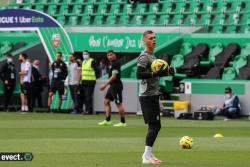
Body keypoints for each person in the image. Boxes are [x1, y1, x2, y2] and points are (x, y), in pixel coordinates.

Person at [136, 30, 174, 164]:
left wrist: (166, 72)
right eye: (151, 38)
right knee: (155, 126)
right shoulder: (144, 56)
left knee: (155, 125)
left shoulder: (153, 56)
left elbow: (154, 73)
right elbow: (139, 75)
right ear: (144, 40)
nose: (154, 40)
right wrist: (156, 73)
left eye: (155, 38)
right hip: (147, 96)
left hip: (153, 95)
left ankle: (148, 154)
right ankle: (146, 155)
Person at [98, 50, 126, 127]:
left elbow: (114, 77)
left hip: (116, 86)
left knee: (118, 103)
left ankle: (123, 122)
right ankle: (108, 120)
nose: (109, 56)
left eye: (111, 55)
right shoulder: (112, 64)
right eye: (108, 55)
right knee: (106, 101)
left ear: (115, 55)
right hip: (112, 86)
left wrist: (105, 85)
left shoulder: (116, 64)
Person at [79, 50, 99, 115]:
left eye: (86, 54)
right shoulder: (84, 62)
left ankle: (89, 111)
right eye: (83, 54)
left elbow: (97, 70)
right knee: (85, 96)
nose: (84, 55)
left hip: (91, 81)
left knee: (88, 96)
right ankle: (87, 109)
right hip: (84, 81)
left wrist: (96, 77)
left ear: (88, 54)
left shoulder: (92, 61)